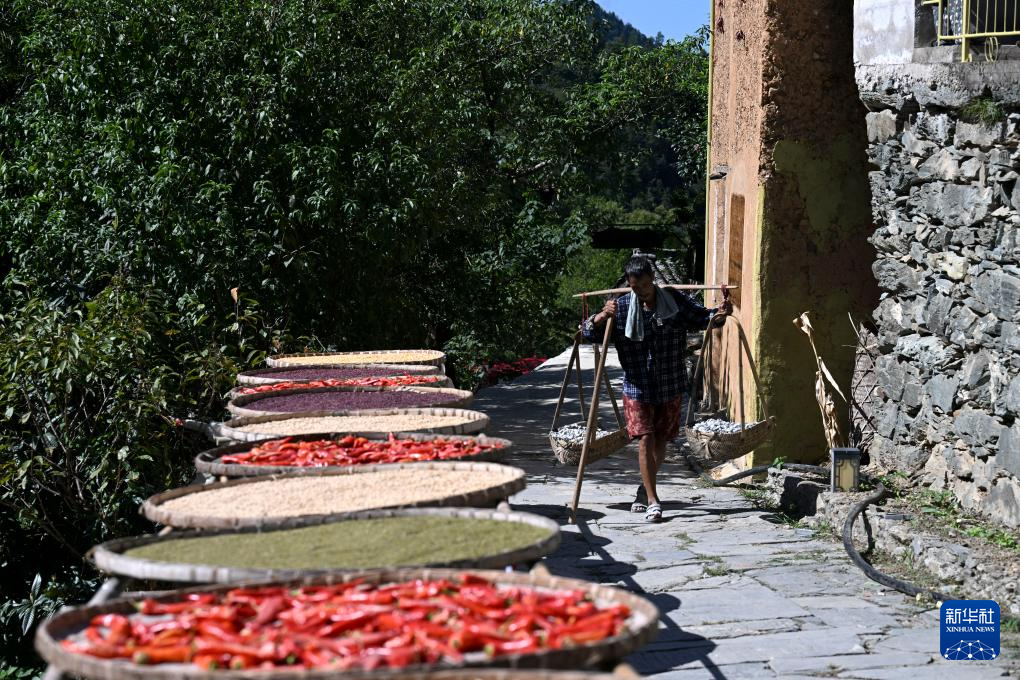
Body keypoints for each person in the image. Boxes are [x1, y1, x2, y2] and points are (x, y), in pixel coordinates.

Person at [582, 256, 731, 522]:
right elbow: (587, 333)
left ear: (653, 279)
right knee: (645, 438)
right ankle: (653, 500)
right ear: (629, 285)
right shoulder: (622, 307)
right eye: (635, 287)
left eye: (645, 286)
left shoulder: (673, 302)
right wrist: (603, 315)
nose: (641, 292)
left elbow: (705, 319)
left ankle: (644, 489)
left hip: (670, 383)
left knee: (661, 439)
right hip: (637, 385)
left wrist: (721, 312)